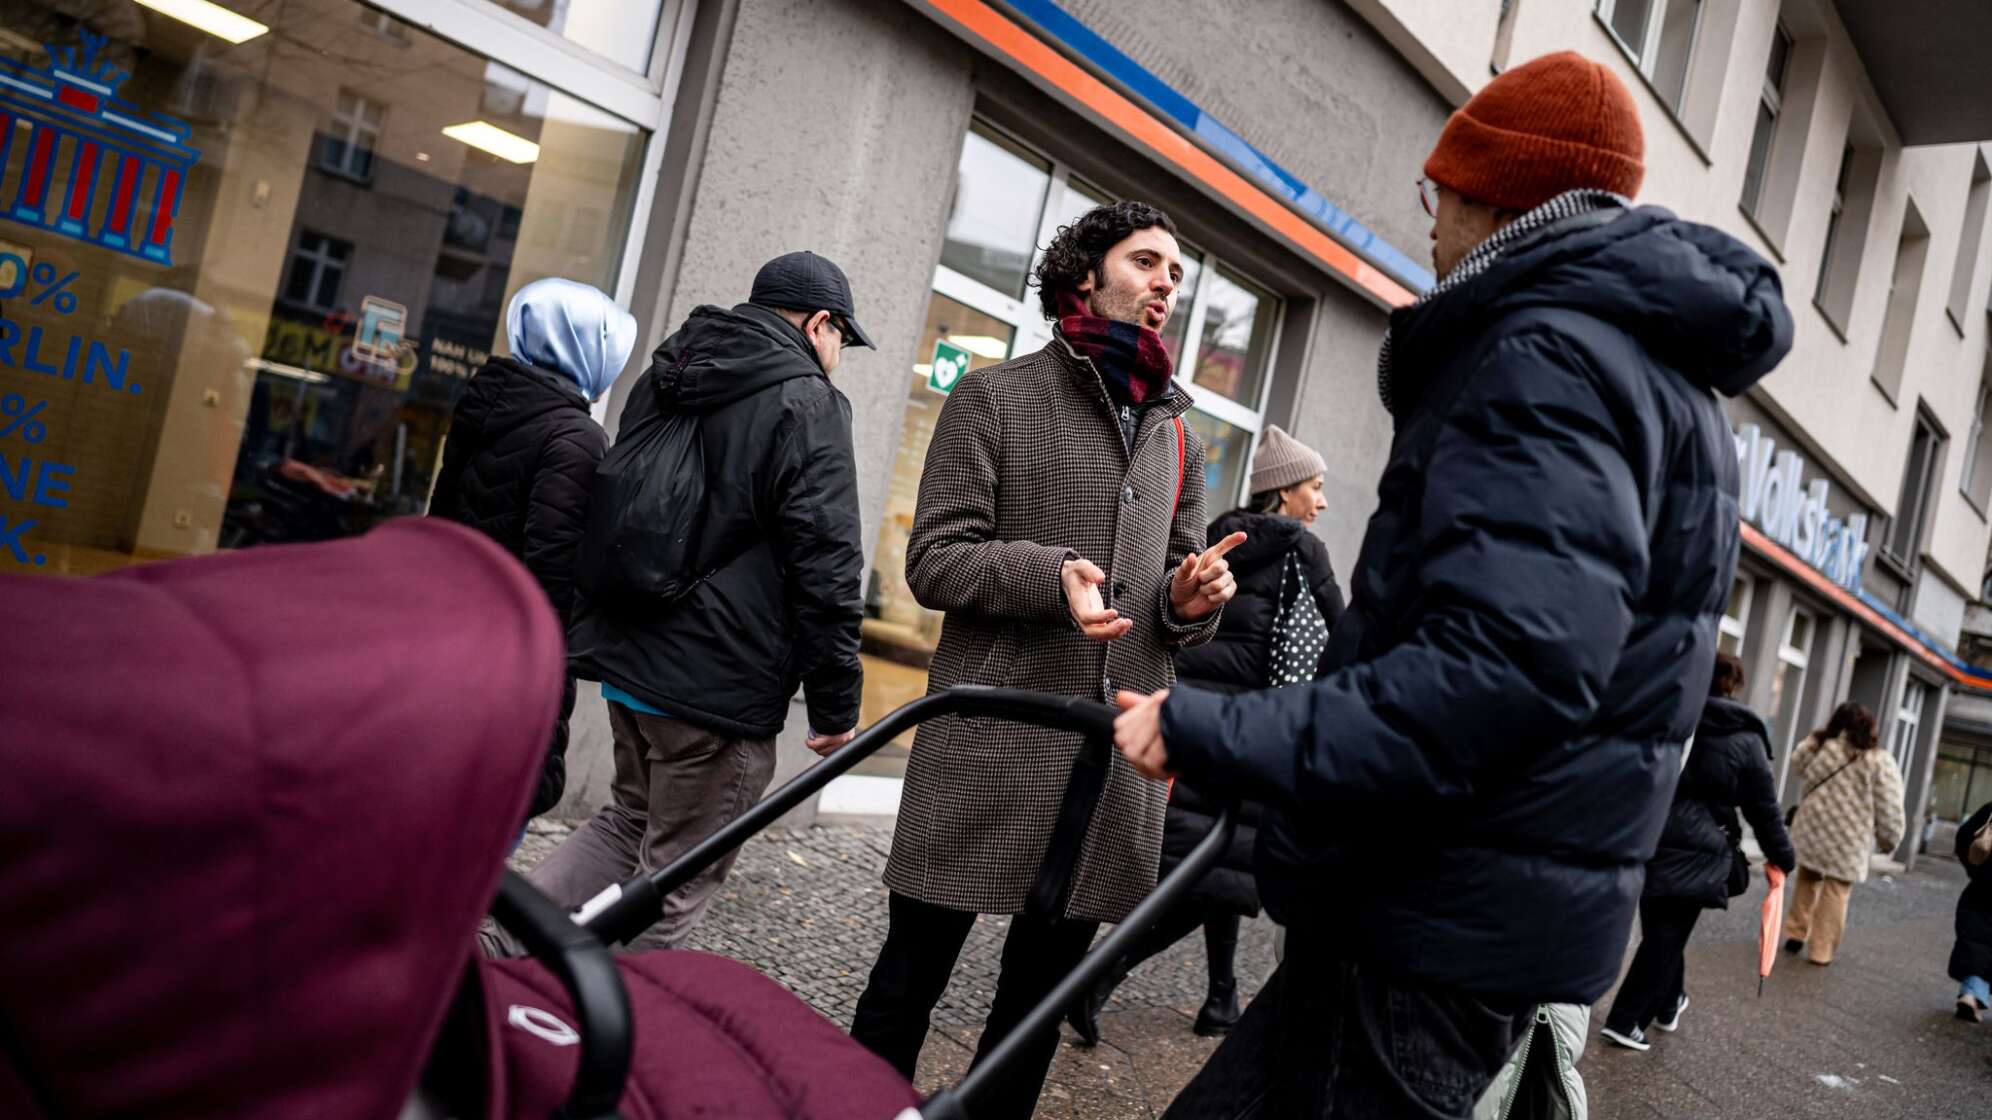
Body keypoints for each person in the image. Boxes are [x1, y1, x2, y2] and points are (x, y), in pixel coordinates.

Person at [1111, 50, 1794, 1117]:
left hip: (1428, 920)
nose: (1428, 225)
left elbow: (1501, 672)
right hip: (1445, 913)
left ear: (1494, 195)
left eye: (1439, 194)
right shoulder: (1651, 372)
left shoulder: (1548, 358)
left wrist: (1213, 731)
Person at [848, 200, 1239, 1118]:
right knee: (909, 982)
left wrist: (1187, 607)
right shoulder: (994, 396)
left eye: (1175, 275)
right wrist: (1050, 571)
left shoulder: (1177, 431)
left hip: (1110, 764)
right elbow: (935, 557)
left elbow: (1175, 581)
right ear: (1084, 275)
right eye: (1147, 263)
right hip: (990, 740)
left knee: (1034, 1010)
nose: (1164, 286)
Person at [526, 251, 875, 952]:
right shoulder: (809, 402)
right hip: (717, 689)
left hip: (633, 666)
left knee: (627, 822)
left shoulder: (669, 373)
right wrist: (836, 703)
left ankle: (489, 944)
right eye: (842, 338)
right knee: (676, 880)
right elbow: (828, 563)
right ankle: (601, 1042)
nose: (839, 354)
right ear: (819, 324)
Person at [1066, 426, 1343, 1046]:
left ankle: (1221, 999)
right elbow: (1344, 639)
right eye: (1315, 488)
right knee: (1209, 874)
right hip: (1249, 735)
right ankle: (1095, 977)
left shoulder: (1222, 542)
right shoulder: (1305, 555)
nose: (1321, 503)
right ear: (1284, 492)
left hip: (1194, 722)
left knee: (1217, 869)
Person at [430, 278, 637, 822]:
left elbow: (443, 516)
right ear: (587, 348)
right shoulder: (576, 437)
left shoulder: (485, 403)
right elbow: (553, 572)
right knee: (499, 807)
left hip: (450, 630)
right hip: (515, 659)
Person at [1600, 653, 1796, 1051]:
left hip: (1649, 834)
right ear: (1733, 684)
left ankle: (1670, 1003)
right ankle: (1625, 1021)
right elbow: (1763, 806)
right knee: (1665, 937)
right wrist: (1783, 855)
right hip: (1699, 845)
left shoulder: (1672, 717)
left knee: (1663, 930)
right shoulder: (1745, 736)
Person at [1781, 701, 1906, 966]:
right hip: (1849, 839)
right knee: (1836, 891)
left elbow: (1798, 763)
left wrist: (1818, 737)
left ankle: (1795, 932)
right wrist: (1889, 840)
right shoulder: (1878, 760)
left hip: (1813, 828)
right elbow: (1890, 806)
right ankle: (1821, 951)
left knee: (1807, 878)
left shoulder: (1819, 746)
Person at [1953, 799, 1992, 1022]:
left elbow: (1964, 835)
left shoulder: (1990, 809)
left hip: (1981, 890)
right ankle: (1974, 996)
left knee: (1976, 941)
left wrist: (1975, 870)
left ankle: (1971, 993)